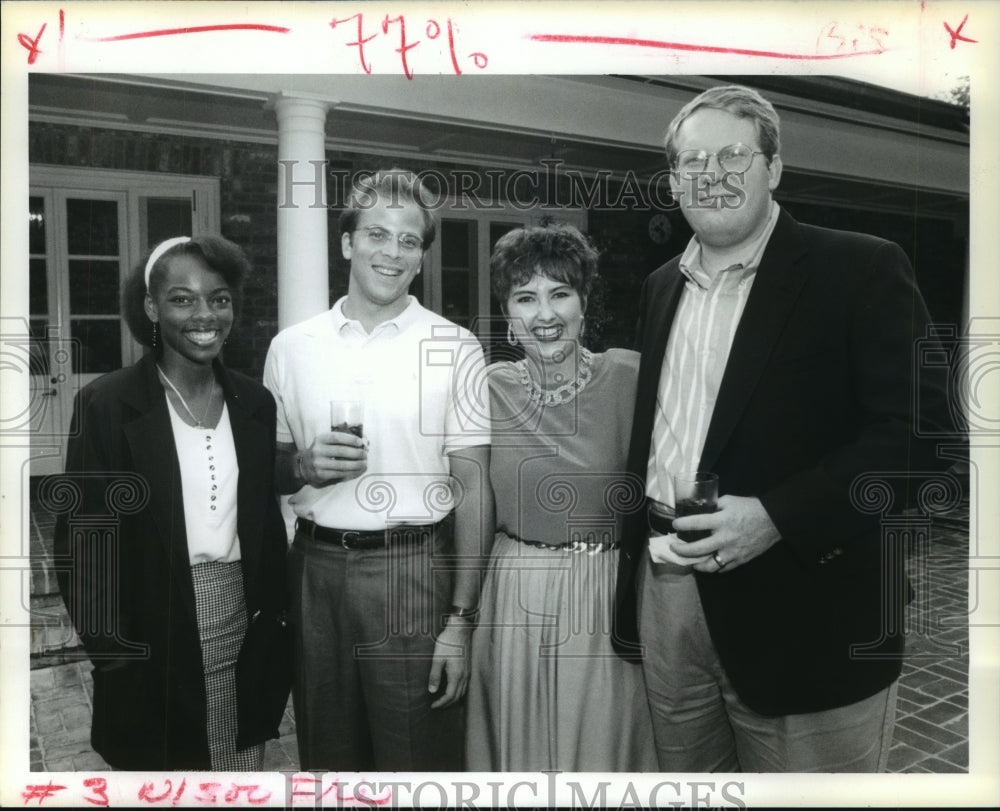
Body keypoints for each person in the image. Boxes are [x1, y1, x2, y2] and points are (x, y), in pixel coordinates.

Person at [613, 85, 951, 772]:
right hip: (668, 597)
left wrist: (776, 516)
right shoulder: (659, 286)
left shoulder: (858, 268)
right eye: (692, 160)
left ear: (774, 167)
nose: (711, 173)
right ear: (673, 179)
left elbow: (923, 441)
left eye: (733, 154)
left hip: (806, 610)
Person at [263, 168, 493, 771]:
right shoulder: (292, 346)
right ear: (347, 243)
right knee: (329, 757)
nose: (392, 252)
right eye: (377, 235)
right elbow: (270, 466)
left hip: (411, 573)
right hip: (315, 572)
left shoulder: (456, 347)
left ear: (420, 258)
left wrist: (461, 621)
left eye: (409, 241)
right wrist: (302, 466)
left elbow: (472, 487)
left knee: (416, 762)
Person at [53, 235, 292, 770]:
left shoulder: (254, 403)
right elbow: (85, 547)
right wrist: (115, 659)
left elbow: (261, 525)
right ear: (150, 308)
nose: (205, 314)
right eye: (182, 299)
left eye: (220, 297)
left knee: (235, 778)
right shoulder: (108, 404)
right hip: (151, 636)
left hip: (241, 630)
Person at [465, 223, 657, 772]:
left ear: (584, 303)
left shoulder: (629, 375)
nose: (544, 314)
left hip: (602, 593)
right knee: (521, 754)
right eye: (525, 297)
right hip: (513, 592)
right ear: (507, 315)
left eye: (559, 294)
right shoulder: (486, 387)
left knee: (601, 751)